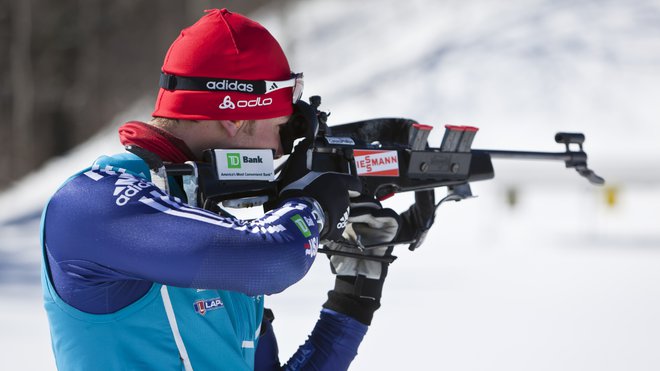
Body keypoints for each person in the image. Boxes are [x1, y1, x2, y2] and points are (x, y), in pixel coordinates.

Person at [41, 9, 400, 370]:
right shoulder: (90, 205)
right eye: (279, 127)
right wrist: (313, 206)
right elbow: (275, 260)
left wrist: (353, 296)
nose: (279, 150)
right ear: (233, 117)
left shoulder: (220, 232)